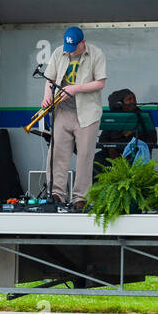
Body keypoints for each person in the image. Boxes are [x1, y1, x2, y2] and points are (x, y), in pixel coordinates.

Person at [42, 26, 107, 210]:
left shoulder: (96, 54)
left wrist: (75, 88)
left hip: (87, 113)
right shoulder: (59, 52)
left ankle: (81, 198)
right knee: (57, 154)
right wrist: (47, 94)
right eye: (68, 47)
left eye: (74, 48)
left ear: (82, 43)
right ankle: (56, 193)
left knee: (85, 157)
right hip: (62, 110)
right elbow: (49, 79)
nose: (70, 51)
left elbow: (100, 82)